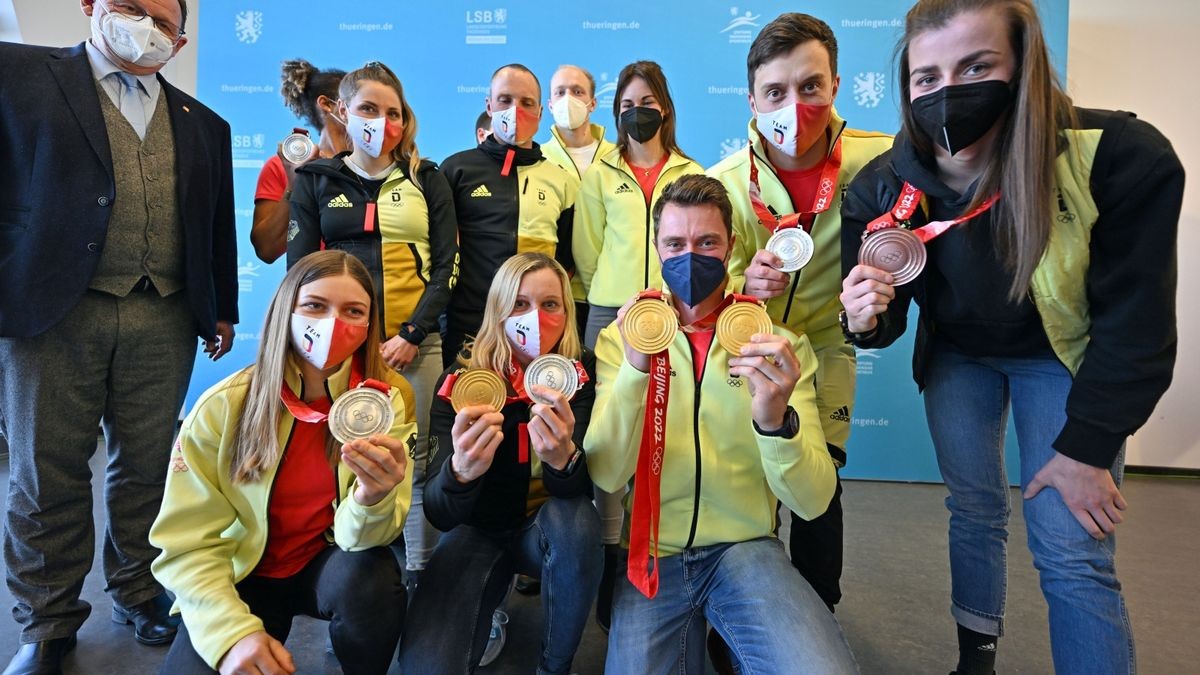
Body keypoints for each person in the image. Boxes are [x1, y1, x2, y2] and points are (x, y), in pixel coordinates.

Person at [838, 1, 1183, 673]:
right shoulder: (881, 186)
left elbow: (1134, 325)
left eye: (976, 66)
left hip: (1061, 359)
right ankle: (977, 655)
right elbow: (884, 325)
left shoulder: (1118, 158)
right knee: (973, 508)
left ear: (1023, 67)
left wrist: (1088, 446)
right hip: (959, 356)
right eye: (927, 75)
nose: (948, 93)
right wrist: (865, 314)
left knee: (1071, 545)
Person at [0, 1, 238, 671]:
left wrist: (220, 308)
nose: (144, 24)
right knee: (45, 471)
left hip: (162, 314)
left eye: (161, 19)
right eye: (130, 7)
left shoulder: (203, 124)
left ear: (179, 38)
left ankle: (139, 590)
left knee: (145, 468)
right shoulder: (22, 77)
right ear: (91, 8)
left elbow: (215, 221)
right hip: (52, 313)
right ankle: (47, 620)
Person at [586, 175, 857, 673]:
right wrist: (634, 370)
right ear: (657, 248)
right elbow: (605, 473)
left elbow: (814, 500)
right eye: (675, 243)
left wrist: (776, 423)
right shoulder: (622, 339)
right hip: (654, 555)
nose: (690, 256)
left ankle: (727, 642)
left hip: (744, 549)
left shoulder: (775, 345)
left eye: (707, 242)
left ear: (731, 245)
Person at [150, 250, 415, 674]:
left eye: (353, 311)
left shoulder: (384, 401)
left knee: (373, 581)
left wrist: (372, 499)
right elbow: (186, 545)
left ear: (369, 326)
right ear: (284, 311)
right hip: (241, 576)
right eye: (314, 306)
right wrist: (231, 633)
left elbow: (367, 538)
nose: (332, 324)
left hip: (326, 563)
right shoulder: (223, 406)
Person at [707, 12, 892, 613]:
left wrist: (870, 312)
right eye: (776, 92)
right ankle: (742, 609)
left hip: (827, 349)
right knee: (752, 476)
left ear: (836, 84)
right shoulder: (726, 182)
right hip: (752, 348)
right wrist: (744, 286)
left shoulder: (882, 163)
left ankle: (818, 610)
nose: (796, 106)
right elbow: (700, 290)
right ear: (752, 98)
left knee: (820, 481)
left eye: (810, 86)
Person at [287, 61, 458, 585]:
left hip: (417, 347)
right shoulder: (315, 179)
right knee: (346, 457)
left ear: (404, 122)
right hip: (339, 349)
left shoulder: (427, 178)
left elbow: (448, 264)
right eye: (367, 109)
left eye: (392, 113)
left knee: (417, 457)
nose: (379, 122)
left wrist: (411, 335)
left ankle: (419, 572)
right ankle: (354, 575)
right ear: (341, 111)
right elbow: (299, 275)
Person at [400, 252, 602, 675]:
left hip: (544, 528)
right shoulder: (462, 379)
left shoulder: (579, 374)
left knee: (578, 521)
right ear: (497, 311)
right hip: (478, 530)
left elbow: (577, 490)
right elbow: (439, 511)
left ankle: (555, 664)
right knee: (426, 666)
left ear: (567, 312)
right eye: (520, 304)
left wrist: (563, 460)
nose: (535, 318)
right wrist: (460, 472)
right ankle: (486, 608)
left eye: (550, 304)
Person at [570, 59, 703, 631]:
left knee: (663, 434)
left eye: (645, 102)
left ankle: (658, 553)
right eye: (625, 106)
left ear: (665, 108)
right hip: (612, 310)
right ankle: (608, 562)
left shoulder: (691, 170)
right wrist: (616, 294)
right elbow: (587, 248)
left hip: (674, 312)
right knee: (614, 436)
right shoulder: (601, 172)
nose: (636, 113)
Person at [441, 64, 578, 368]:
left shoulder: (562, 180)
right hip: (468, 323)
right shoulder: (455, 170)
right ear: (489, 106)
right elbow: (440, 253)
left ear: (541, 112)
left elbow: (567, 262)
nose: (515, 110)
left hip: (536, 326)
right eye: (505, 100)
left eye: (527, 103)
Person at [541, 63, 617, 339]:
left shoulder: (618, 156)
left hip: (610, 294)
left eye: (577, 91)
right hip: (556, 294)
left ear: (592, 103)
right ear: (549, 104)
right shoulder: (538, 159)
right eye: (560, 92)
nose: (568, 99)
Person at [249, 59, 349, 264]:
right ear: (327, 105)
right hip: (310, 287)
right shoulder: (281, 166)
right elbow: (266, 249)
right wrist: (295, 184)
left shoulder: (374, 167)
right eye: (357, 102)